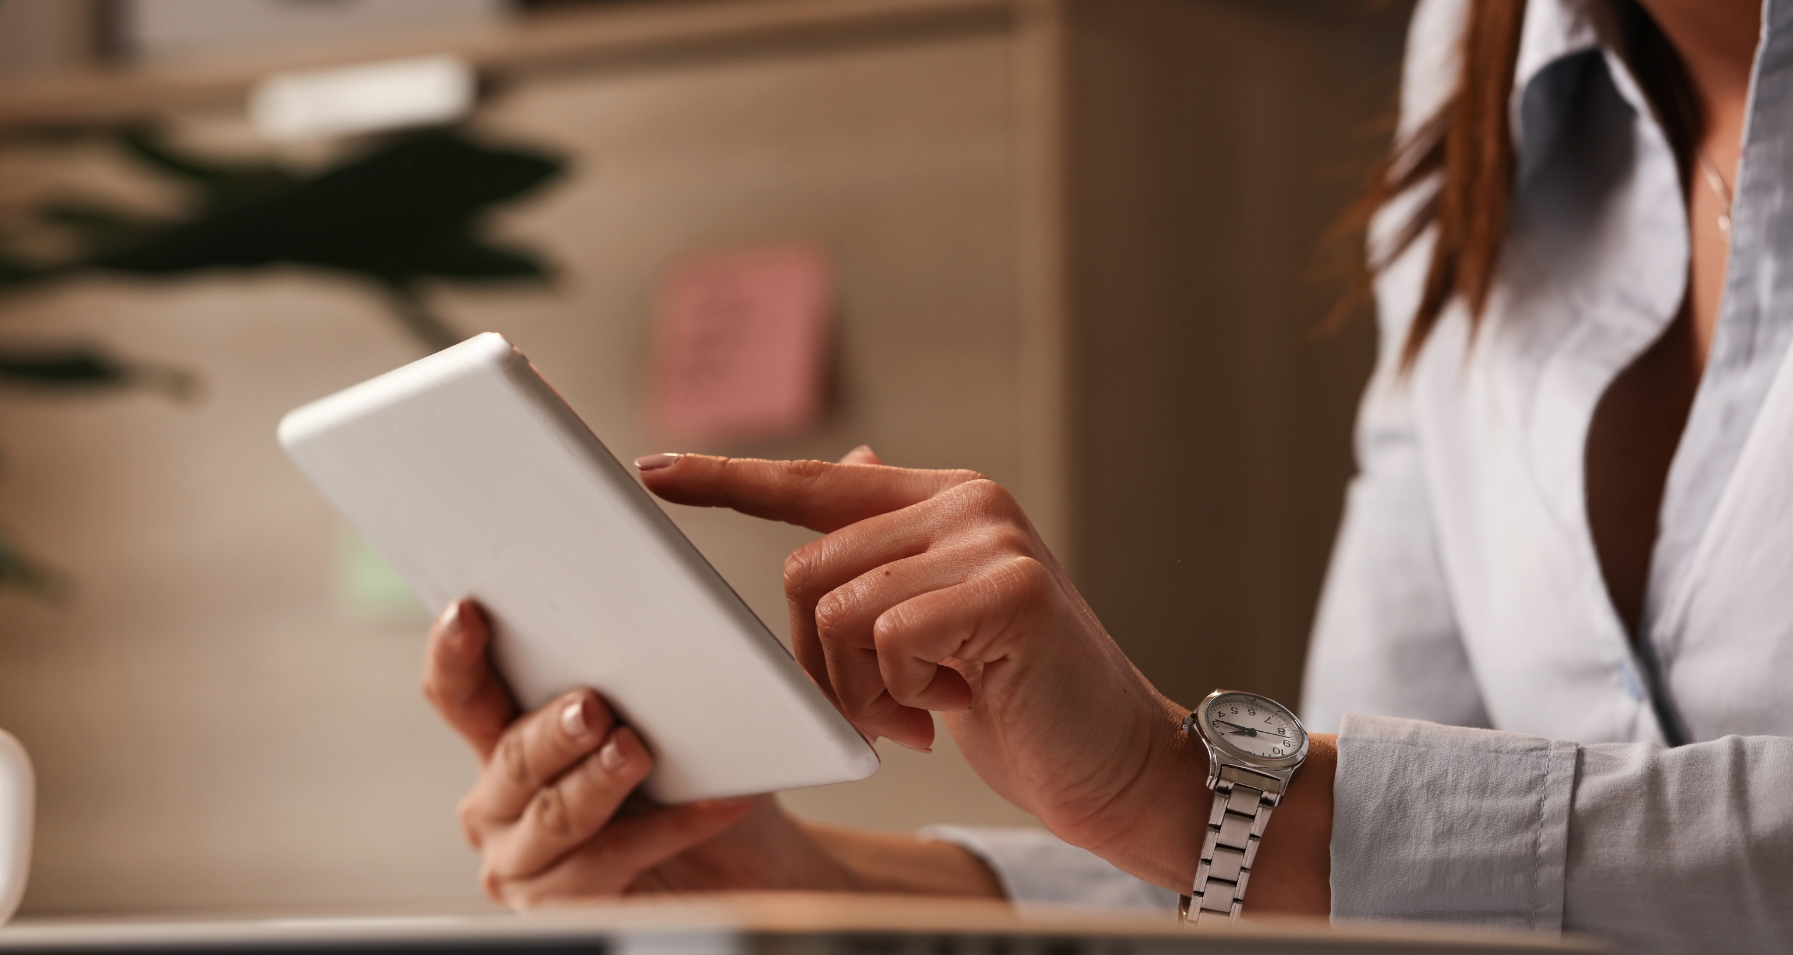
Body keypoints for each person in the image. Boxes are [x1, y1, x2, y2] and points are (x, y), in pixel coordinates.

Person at [420, 0, 1793, 951]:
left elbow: (1301, 836)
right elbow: (1353, 880)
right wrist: (816, 880)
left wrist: (1181, 781)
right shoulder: (1479, 72)